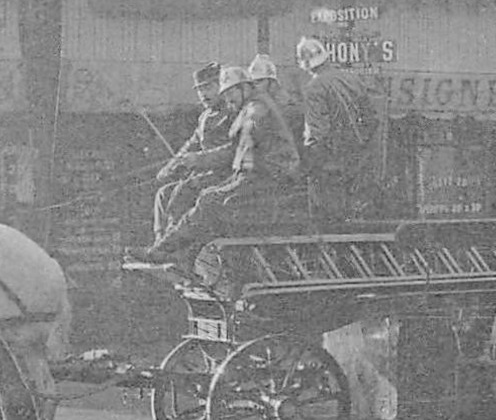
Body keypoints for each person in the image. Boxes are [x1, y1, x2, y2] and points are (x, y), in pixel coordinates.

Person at [142, 64, 303, 264]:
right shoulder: (250, 107)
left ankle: (173, 251)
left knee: (209, 198)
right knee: (202, 195)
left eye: (230, 93)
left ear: (243, 88)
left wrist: (198, 160)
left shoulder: (256, 110)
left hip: (270, 174)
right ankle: (171, 249)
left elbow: (233, 150)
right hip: (257, 172)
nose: (228, 100)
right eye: (225, 95)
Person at [296, 35, 386, 224]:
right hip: (357, 162)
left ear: (305, 64)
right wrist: (359, 145)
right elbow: (372, 119)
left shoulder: (314, 87)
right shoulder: (352, 79)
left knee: (325, 222)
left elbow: (317, 133)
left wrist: (308, 164)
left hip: (329, 165)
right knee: (353, 220)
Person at [152, 61, 233, 239]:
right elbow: (192, 144)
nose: (203, 94)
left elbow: (233, 150)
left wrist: (198, 159)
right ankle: (160, 239)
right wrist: (171, 166)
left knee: (184, 190)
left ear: (222, 86)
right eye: (199, 90)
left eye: (209, 87)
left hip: (227, 174)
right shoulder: (204, 117)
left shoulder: (232, 113)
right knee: (163, 193)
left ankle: (173, 243)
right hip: (206, 174)